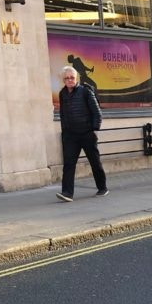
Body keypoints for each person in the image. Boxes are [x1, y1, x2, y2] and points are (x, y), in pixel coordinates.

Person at [56, 65, 107, 202]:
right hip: (71, 135)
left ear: (76, 78)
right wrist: (65, 131)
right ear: (63, 80)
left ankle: (102, 187)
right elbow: (62, 114)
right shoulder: (62, 93)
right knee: (68, 164)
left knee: (94, 161)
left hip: (87, 133)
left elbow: (97, 112)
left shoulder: (85, 91)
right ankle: (67, 193)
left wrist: (94, 129)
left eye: (72, 77)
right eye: (66, 78)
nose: (69, 80)